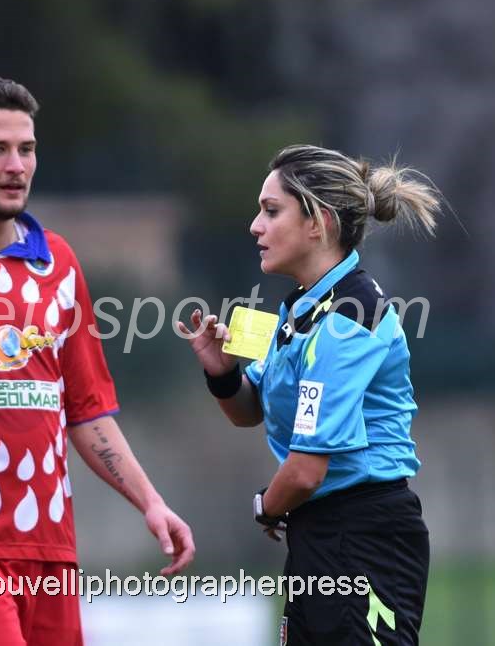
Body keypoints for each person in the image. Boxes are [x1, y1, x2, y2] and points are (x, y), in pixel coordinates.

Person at [0, 77, 195, 645]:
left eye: (26, 149)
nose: (16, 166)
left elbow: (87, 409)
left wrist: (150, 502)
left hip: (51, 548)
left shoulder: (58, 262)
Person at [178, 144, 438, 645]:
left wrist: (266, 506)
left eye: (271, 211)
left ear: (319, 223)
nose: (255, 226)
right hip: (321, 533)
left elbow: (305, 471)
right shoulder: (300, 307)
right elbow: (249, 411)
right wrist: (222, 374)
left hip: (365, 538)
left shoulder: (350, 316)